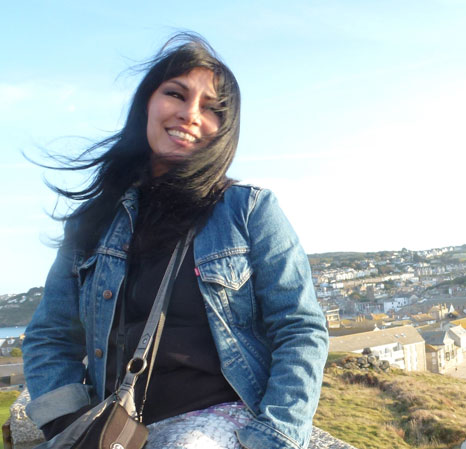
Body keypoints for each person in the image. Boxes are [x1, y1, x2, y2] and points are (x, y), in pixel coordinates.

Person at [22, 33, 329, 449]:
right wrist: (65, 423)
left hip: (217, 420)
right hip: (117, 426)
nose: (191, 115)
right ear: (147, 102)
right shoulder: (92, 222)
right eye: (176, 94)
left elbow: (300, 328)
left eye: (212, 109)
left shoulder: (249, 210)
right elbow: (51, 334)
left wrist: (274, 435)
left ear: (224, 129)